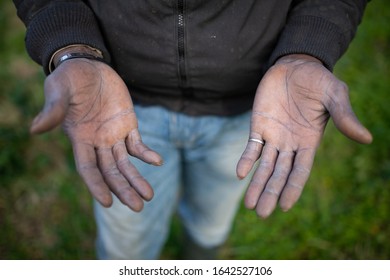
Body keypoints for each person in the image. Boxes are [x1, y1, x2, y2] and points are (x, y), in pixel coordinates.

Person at [13, 0, 372, 259]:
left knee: (210, 224)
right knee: (127, 245)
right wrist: (71, 48)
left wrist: (306, 53)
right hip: (121, 110)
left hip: (248, 112)